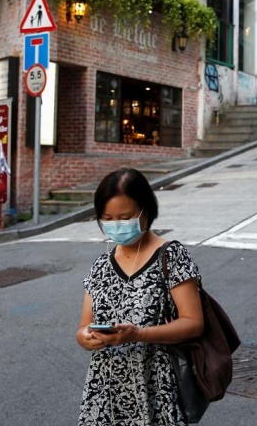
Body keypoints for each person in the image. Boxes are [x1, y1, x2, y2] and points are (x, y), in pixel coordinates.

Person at [76, 168, 204, 425]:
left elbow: (194, 323)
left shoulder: (171, 256)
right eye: (107, 218)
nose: (116, 225)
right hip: (103, 394)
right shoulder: (101, 265)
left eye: (125, 217)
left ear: (146, 211)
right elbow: (84, 325)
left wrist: (138, 334)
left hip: (156, 390)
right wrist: (85, 337)